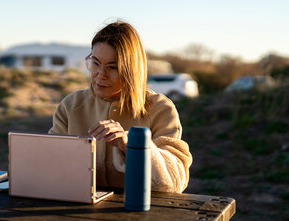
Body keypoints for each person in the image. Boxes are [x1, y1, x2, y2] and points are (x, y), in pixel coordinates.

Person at [49, 21, 192, 193]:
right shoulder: (71, 105)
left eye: (113, 67)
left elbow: (175, 182)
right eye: (95, 63)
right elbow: (50, 161)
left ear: (131, 70)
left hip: (143, 216)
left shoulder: (160, 109)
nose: (100, 75)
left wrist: (132, 145)